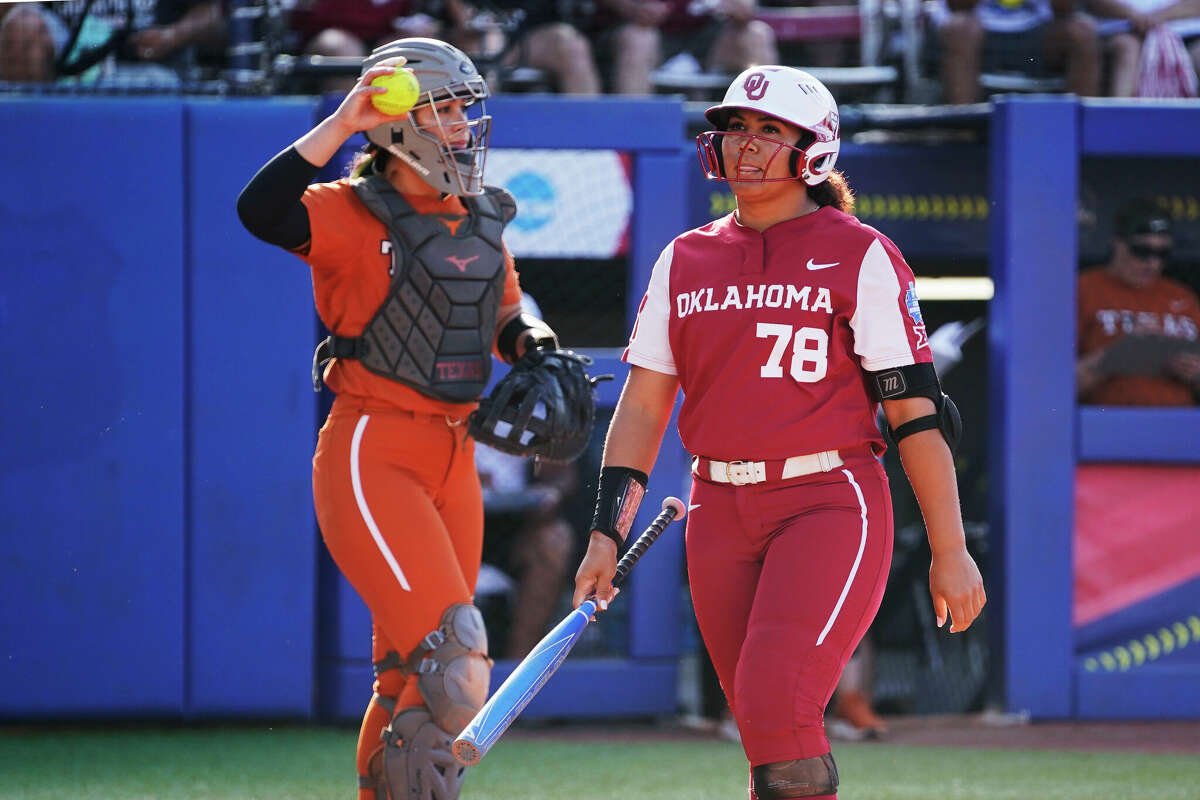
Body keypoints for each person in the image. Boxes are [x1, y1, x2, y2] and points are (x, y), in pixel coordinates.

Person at [572, 66, 986, 800]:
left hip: (828, 499)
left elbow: (917, 415)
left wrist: (949, 548)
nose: (746, 144)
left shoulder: (861, 252)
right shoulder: (683, 258)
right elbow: (641, 409)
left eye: (769, 130)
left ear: (814, 150)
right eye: (735, 127)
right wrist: (606, 533)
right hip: (716, 509)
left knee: (776, 705)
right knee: (766, 731)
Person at [235, 37, 570, 800]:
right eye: (444, 109)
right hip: (372, 445)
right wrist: (347, 118)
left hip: (455, 453)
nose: (461, 126)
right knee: (456, 660)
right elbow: (260, 210)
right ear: (397, 123)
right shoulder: (350, 211)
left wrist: (540, 351)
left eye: (464, 109)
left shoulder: (479, 215)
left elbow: (509, 314)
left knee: (414, 681)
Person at [1077, 200, 1200, 405]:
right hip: (1107, 425)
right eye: (1142, 251)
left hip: (1181, 426)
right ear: (1117, 242)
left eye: (1162, 254)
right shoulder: (1083, 289)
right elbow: (1051, 386)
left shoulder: (1184, 297)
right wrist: (1119, 355)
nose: (1153, 263)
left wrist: (1195, 374)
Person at [475, 440, 577, 659]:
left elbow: (562, 475)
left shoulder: (541, 407)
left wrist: (550, 493)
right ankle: (429, 673)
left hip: (516, 523)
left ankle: (518, 674)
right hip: (446, 520)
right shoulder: (437, 406)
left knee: (554, 542)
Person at [931, 0, 1127, 104]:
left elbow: (1064, 7)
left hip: (1036, 34)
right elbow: (957, 5)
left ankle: (1080, 135)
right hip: (981, 31)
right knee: (958, 30)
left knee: (1082, 32)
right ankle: (963, 130)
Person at [0, 0, 225, 85]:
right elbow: (10, 16)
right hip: (63, 74)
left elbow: (218, 16)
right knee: (22, 29)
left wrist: (173, 36)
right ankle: (31, 134)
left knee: (160, 83)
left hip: (147, 72)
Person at [595, 0, 777, 95]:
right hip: (653, 33)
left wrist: (740, 9)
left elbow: (745, 9)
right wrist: (633, 8)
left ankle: (771, 131)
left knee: (756, 35)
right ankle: (634, 136)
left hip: (711, 36)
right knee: (638, 40)